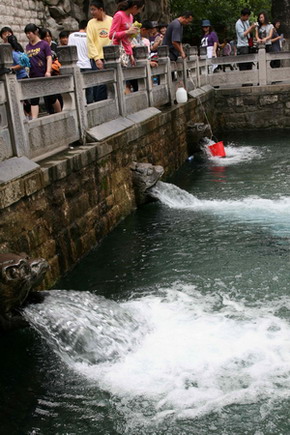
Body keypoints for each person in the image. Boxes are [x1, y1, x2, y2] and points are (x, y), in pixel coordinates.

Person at [25, 23, 62, 119]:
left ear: (35, 32)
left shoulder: (44, 44)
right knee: (34, 99)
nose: (28, 35)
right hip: (33, 75)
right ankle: (34, 120)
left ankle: (60, 114)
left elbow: (49, 58)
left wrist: (48, 71)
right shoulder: (28, 46)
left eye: (30, 33)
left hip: (44, 74)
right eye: (26, 33)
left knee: (52, 97)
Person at [87, 0, 113, 101]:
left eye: (94, 10)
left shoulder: (111, 20)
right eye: (91, 10)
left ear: (101, 9)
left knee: (110, 84)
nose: (92, 12)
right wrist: (97, 59)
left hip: (111, 57)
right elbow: (90, 42)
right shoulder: (91, 23)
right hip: (97, 58)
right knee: (98, 85)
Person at [109, 0, 145, 67]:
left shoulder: (131, 17)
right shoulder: (119, 15)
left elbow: (127, 39)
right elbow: (111, 35)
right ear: (135, 7)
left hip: (127, 52)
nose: (139, 12)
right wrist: (127, 32)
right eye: (139, 9)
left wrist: (130, 54)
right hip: (118, 51)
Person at [68, 20, 94, 104]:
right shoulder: (89, 36)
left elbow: (69, 50)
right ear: (87, 27)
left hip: (75, 66)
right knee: (89, 89)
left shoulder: (71, 36)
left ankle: (79, 106)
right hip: (87, 65)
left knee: (76, 88)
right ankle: (89, 106)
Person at [7, 34, 31, 117]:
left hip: (20, 78)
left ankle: (29, 116)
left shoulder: (13, 54)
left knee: (24, 100)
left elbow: (22, 64)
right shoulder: (19, 51)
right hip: (24, 76)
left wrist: (11, 68)